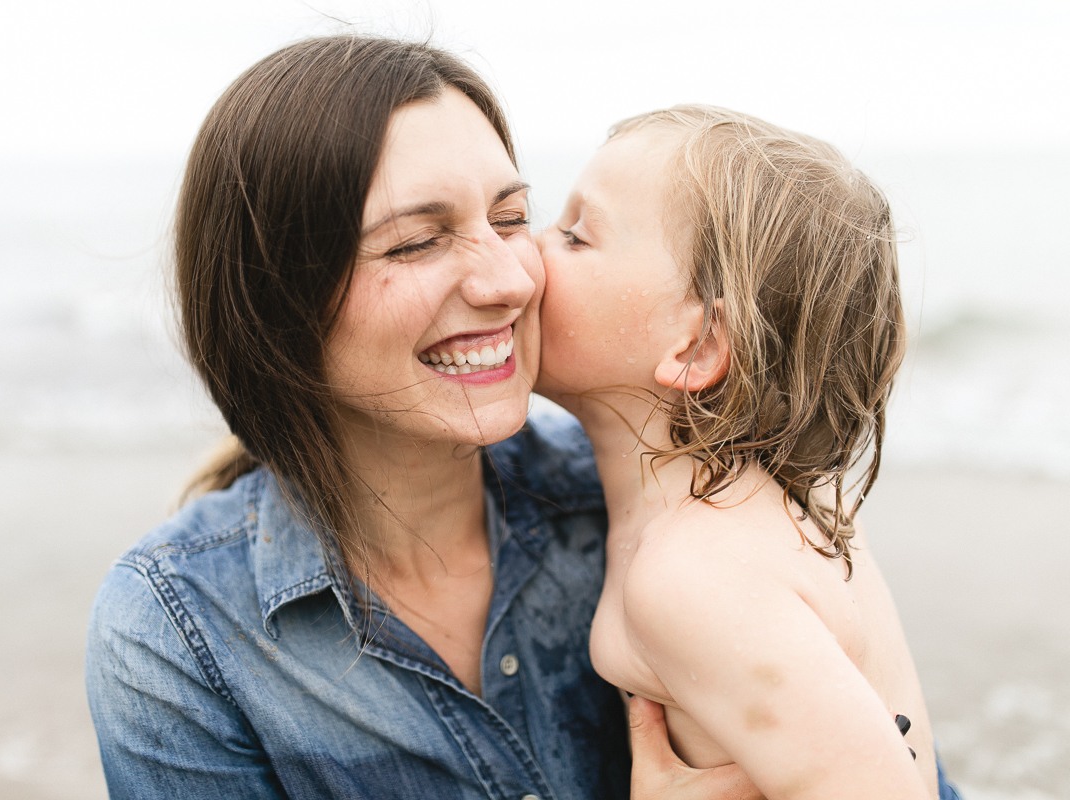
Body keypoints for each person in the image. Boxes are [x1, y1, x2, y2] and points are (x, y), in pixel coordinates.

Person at [85, 37, 765, 799]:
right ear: (276, 302)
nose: (510, 279)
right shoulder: (178, 631)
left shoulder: (663, 505)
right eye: (415, 242)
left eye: (510, 219)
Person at [536, 105, 962, 799]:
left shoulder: (692, 570)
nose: (528, 249)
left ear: (698, 343)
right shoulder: (763, 501)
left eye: (576, 236)